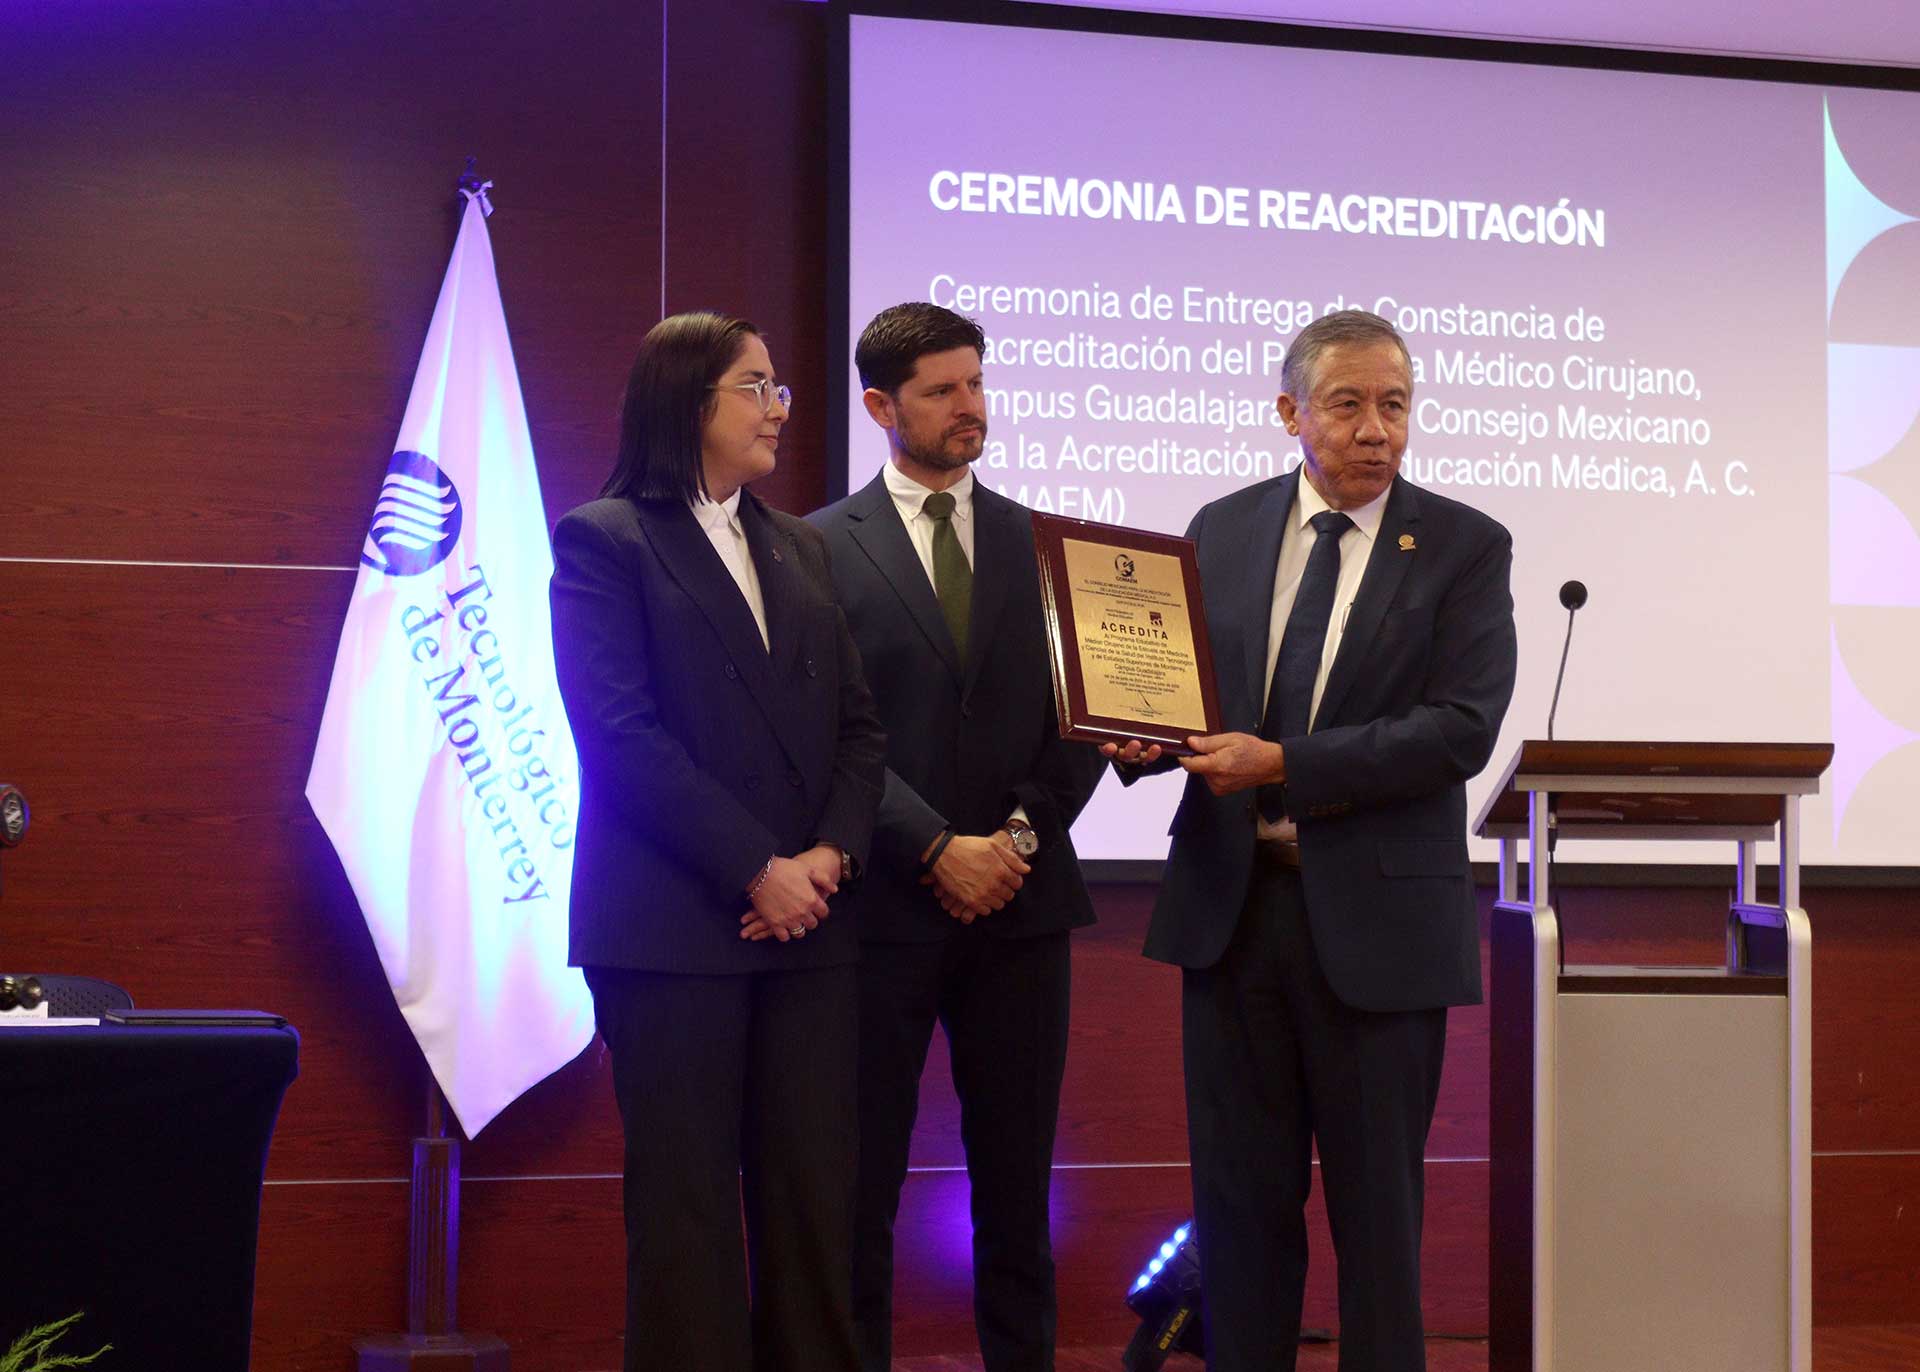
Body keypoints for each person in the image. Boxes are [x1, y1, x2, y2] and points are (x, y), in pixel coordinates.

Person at [1105, 309, 1517, 1371]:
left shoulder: (1464, 545)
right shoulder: (1225, 526)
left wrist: (1283, 763)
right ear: (1291, 412)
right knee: (1240, 1208)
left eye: (1396, 405)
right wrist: (1138, 729)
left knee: (1380, 1216)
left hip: (1379, 925)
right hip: (1233, 913)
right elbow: (1189, 694)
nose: (1377, 429)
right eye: (1349, 404)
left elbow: (1459, 729)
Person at [550, 311, 886, 1372]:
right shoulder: (606, 537)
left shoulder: (801, 543)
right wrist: (758, 867)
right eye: (757, 384)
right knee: (688, 1208)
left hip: (811, 926)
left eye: (780, 385)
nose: (779, 405)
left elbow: (861, 729)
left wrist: (827, 856)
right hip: (671, 930)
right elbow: (618, 735)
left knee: (810, 1205)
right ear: (689, 400)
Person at [807, 302, 1106, 1372]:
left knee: (1019, 1188)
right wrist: (936, 846)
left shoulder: (1053, 545)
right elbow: (823, 732)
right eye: (941, 390)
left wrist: (1011, 842)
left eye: (977, 383)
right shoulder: (813, 548)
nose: (969, 407)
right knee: (859, 1189)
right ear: (882, 406)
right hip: (879, 911)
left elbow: (1084, 727)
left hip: (1021, 913)